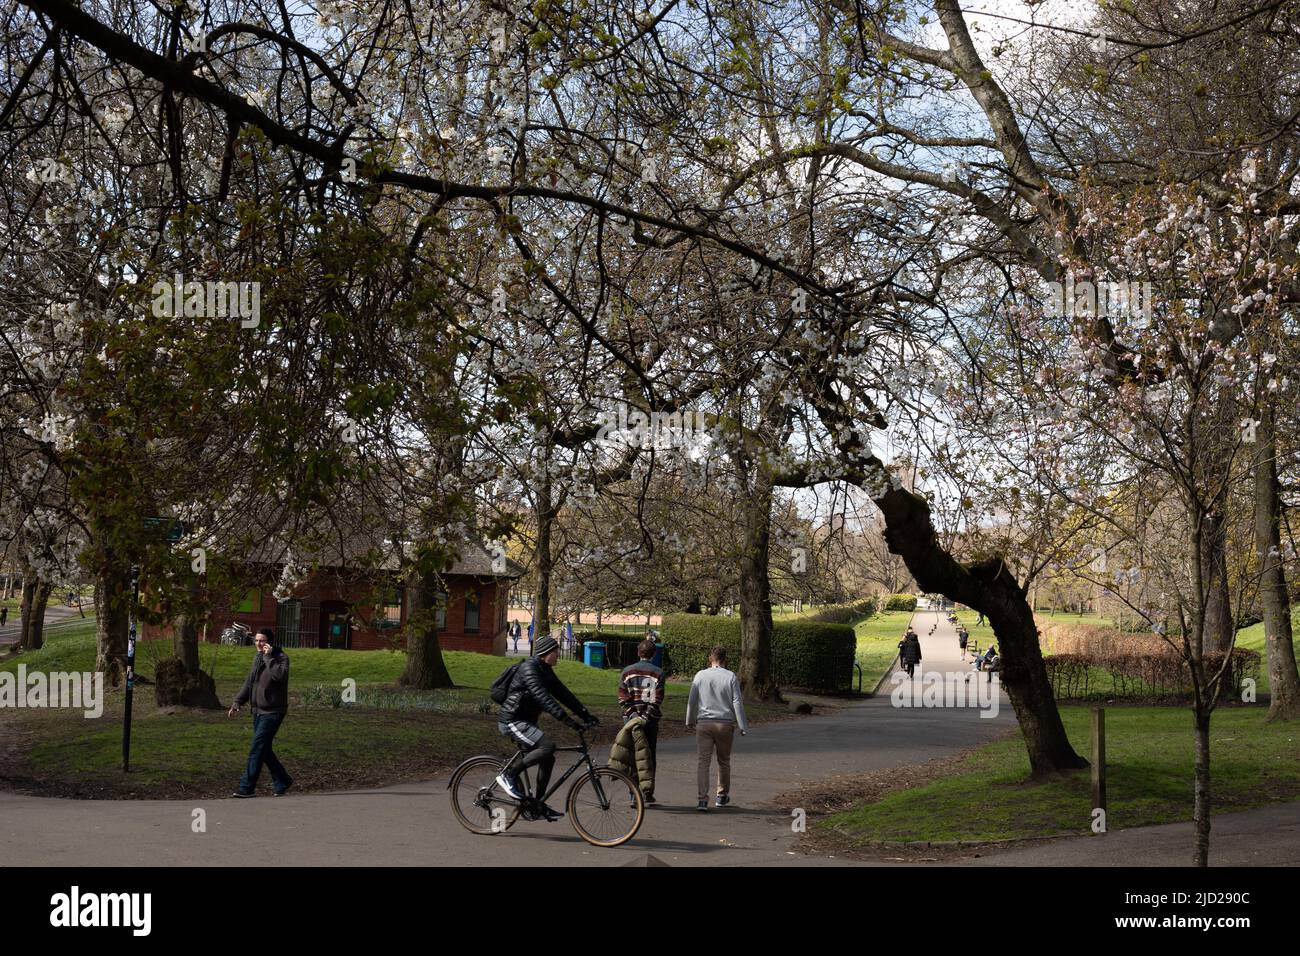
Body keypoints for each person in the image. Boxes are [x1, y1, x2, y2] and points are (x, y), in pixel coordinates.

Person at [495, 634, 598, 821]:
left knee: (548, 758)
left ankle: (537, 804)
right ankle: (508, 775)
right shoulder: (530, 669)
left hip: (526, 722)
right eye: (555, 651)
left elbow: (563, 694)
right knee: (547, 746)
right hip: (512, 721)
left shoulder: (545, 669)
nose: (558, 654)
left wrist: (585, 714)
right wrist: (569, 722)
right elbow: (544, 698)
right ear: (545, 653)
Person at [228, 628, 293, 797]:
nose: (258, 644)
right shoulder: (257, 658)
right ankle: (283, 780)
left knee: (257, 748)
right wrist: (238, 702)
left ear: (270, 642)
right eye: (256, 640)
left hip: (273, 711)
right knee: (264, 749)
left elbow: (279, 676)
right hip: (257, 711)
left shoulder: (281, 658)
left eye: (262, 640)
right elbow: (250, 682)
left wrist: (268, 657)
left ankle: (246, 787)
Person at [685, 646, 748, 812]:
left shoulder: (700, 675)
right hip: (725, 723)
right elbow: (737, 702)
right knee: (724, 761)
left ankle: (702, 799)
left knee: (703, 762)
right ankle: (721, 795)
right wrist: (742, 725)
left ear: (710, 659)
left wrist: (689, 720)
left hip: (704, 723)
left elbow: (692, 700)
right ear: (724, 659)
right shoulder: (730, 676)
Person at [617, 637, 664, 804]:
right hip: (650, 722)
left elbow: (623, 698)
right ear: (653, 654)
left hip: (631, 720)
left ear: (638, 653)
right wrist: (645, 717)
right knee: (649, 755)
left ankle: (633, 792)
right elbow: (657, 700)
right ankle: (648, 791)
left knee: (632, 755)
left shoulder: (627, 672)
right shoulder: (658, 673)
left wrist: (633, 716)